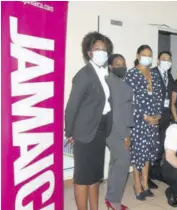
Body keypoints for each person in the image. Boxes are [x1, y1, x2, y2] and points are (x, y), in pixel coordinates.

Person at [64, 31, 113, 210]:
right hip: (85, 132)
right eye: (97, 48)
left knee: (95, 176)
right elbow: (71, 107)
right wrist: (69, 132)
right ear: (89, 52)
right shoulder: (84, 74)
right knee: (83, 178)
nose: (101, 51)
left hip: (99, 131)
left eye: (104, 49)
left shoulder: (103, 73)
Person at [125, 45, 163, 200]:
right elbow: (128, 101)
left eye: (149, 55)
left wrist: (158, 115)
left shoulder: (153, 74)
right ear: (138, 55)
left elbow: (160, 96)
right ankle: (137, 185)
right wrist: (143, 116)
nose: (147, 57)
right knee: (137, 154)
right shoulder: (131, 74)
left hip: (153, 121)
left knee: (147, 153)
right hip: (138, 121)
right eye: (144, 54)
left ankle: (145, 183)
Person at [104, 54, 133, 210]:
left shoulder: (115, 81)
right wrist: (125, 135)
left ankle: (110, 198)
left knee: (115, 163)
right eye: (117, 63)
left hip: (114, 128)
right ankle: (114, 201)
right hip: (118, 129)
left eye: (123, 63)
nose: (121, 66)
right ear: (110, 66)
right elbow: (117, 112)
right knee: (122, 163)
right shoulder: (113, 83)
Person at [148, 51, 175, 189]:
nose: (166, 61)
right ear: (158, 61)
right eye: (164, 59)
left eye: (169, 59)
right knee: (151, 147)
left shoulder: (169, 76)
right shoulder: (151, 73)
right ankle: (145, 177)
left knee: (160, 147)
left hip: (165, 117)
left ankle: (155, 172)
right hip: (152, 117)